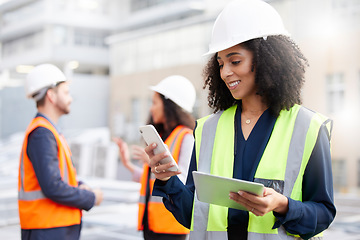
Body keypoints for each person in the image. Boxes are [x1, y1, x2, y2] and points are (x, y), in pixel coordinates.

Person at [145, 0, 336, 240]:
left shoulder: (308, 128)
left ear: (269, 59)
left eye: (235, 61)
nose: (225, 73)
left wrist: (284, 205)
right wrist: (168, 180)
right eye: (221, 63)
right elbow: (195, 215)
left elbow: (324, 213)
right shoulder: (207, 129)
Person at [18, 64, 103, 240]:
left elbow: (60, 177)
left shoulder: (49, 131)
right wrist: (90, 197)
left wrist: (79, 185)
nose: (70, 98)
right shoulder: (42, 133)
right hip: (48, 229)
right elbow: (52, 186)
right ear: (51, 95)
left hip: (52, 228)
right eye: (66, 92)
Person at [113, 75, 196, 240]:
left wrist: (158, 162)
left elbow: (185, 184)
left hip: (171, 226)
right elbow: (151, 181)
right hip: (151, 224)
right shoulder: (163, 137)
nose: (151, 109)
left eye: (155, 103)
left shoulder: (186, 137)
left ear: (169, 105)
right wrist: (128, 165)